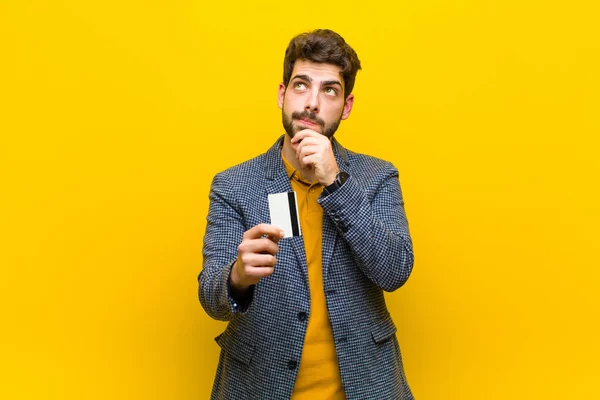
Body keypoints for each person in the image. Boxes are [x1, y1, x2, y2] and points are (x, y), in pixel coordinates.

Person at [198, 29, 415, 400]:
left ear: (346, 106)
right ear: (283, 94)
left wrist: (334, 180)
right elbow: (211, 299)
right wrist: (236, 276)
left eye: (329, 90)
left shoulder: (378, 177)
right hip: (260, 386)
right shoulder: (233, 185)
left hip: (365, 385)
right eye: (301, 85)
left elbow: (395, 271)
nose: (312, 102)